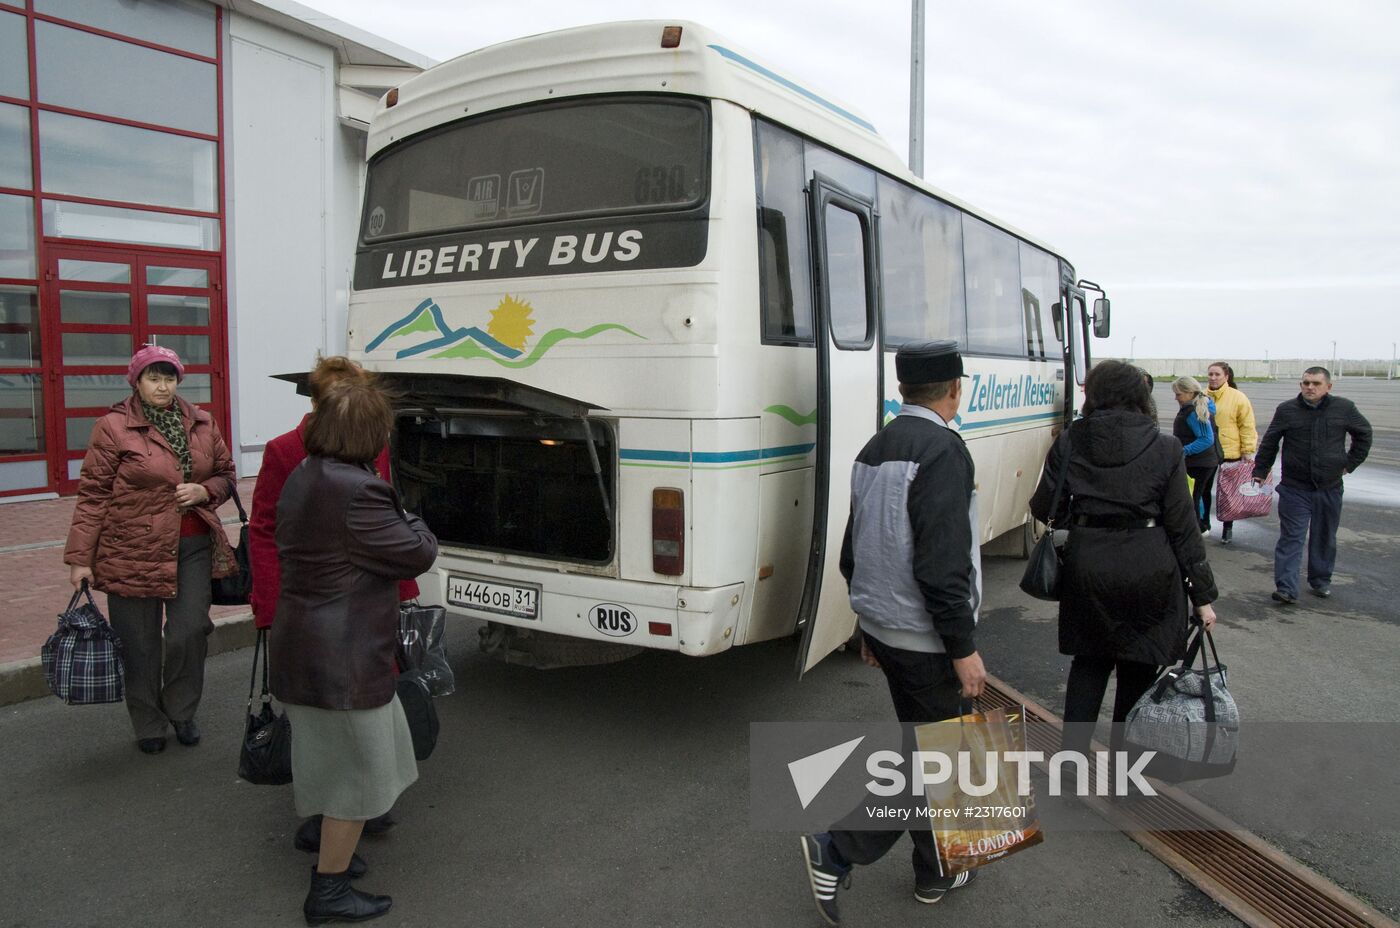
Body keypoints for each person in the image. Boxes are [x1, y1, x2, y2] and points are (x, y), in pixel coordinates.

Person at [800, 340, 986, 926]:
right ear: (955, 389)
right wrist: (963, 649)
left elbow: (856, 550)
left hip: (886, 628)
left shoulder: (874, 446)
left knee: (926, 748)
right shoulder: (944, 451)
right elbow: (942, 564)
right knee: (938, 763)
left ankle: (939, 869)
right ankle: (840, 845)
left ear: (904, 389)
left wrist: (865, 627)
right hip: (925, 638)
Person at [270, 375, 438, 924]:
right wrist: (412, 514)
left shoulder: (307, 473)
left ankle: (321, 835)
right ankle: (329, 890)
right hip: (341, 656)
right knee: (355, 776)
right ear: (369, 434)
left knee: (331, 758)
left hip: (307, 645)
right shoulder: (358, 489)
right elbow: (416, 553)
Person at [249, 356, 420, 853]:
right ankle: (336, 822)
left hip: (365, 604)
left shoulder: (366, 446)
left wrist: (403, 588)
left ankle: (362, 808)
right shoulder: (287, 451)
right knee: (335, 721)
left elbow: (384, 516)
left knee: (370, 713)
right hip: (325, 613)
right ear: (319, 402)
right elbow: (264, 529)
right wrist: (269, 604)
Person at [1030, 360, 1218, 760]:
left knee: (1089, 664)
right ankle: (1126, 774)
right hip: (1150, 562)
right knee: (1138, 670)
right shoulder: (1165, 445)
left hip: (1089, 562)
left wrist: (1084, 518)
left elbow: (1045, 505)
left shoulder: (1071, 440)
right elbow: (1183, 526)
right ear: (1140, 395)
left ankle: (1071, 764)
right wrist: (1202, 594)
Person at [64, 344, 238, 754]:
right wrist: (80, 560)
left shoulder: (202, 422)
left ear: (179, 380)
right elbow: (92, 496)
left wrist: (204, 489)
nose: (162, 387)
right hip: (130, 549)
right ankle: (148, 722)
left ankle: (181, 710)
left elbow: (227, 474)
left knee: (189, 632)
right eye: (153, 378)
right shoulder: (112, 427)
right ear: (136, 382)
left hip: (192, 545)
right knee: (139, 642)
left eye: (169, 378)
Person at [1251, 367, 1371, 604]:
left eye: (1316, 383)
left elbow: (1364, 433)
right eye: (1305, 383)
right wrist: (1260, 471)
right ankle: (1286, 588)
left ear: (1328, 387)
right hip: (1295, 488)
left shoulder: (1344, 408)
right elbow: (1270, 442)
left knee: (1324, 536)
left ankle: (1320, 580)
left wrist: (1350, 463)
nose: (1310, 387)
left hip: (1330, 487)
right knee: (1291, 538)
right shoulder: (1287, 410)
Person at [1205, 362, 1257, 544]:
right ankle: (1204, 525)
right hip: (1208, 451)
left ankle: (1228, 527)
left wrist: (1248, 450)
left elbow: (1247, 425)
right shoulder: (1201, 396)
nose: (1213, 378)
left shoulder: (1238, 397)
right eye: (1210, 374)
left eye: (1217, 374)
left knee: (1228, 493)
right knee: (1204, 489)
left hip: (1230, 451)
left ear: (1226, 377)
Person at [1171, 375, 1221, 534]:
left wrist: (1183, 451)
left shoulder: (1193, 411)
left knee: (1191, 497)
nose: (1175, 398)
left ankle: (1198, 529)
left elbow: (1207, 439)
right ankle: (1199, 527)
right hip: (1204, 462)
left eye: (1178, 394)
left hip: (1198, 463)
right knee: (1196, 496)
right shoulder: (1198, 406)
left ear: (1189, 392)